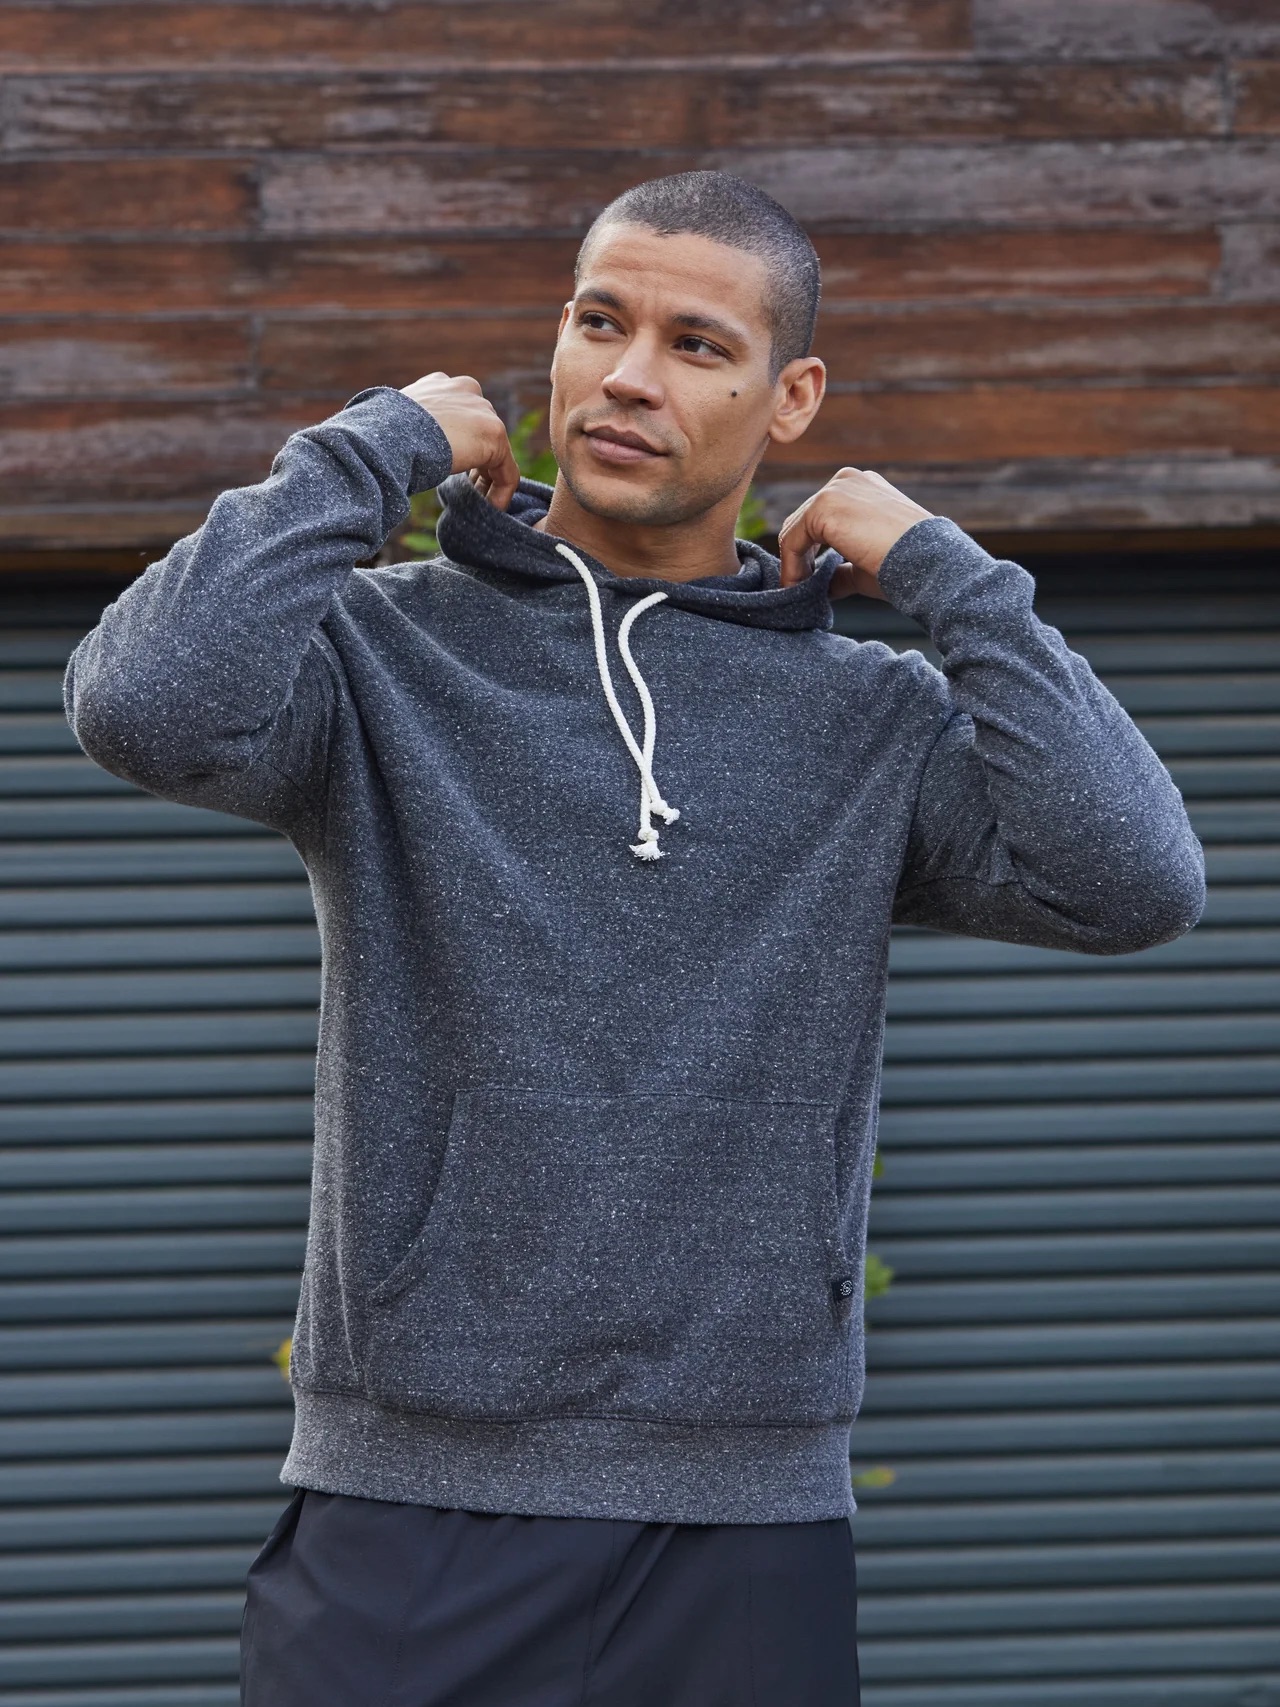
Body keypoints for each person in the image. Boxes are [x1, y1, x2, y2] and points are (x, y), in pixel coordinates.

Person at [64, 170, 1206, 1707]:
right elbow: (141, 704)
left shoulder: (869, 722)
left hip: (739, 1523)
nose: (627, 377)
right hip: (411, 1502)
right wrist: (374, 446)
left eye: (696, 344)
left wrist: (944, 570)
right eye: (599, 322)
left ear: (791, 397)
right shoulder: (383, 653)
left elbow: (1137, 879)